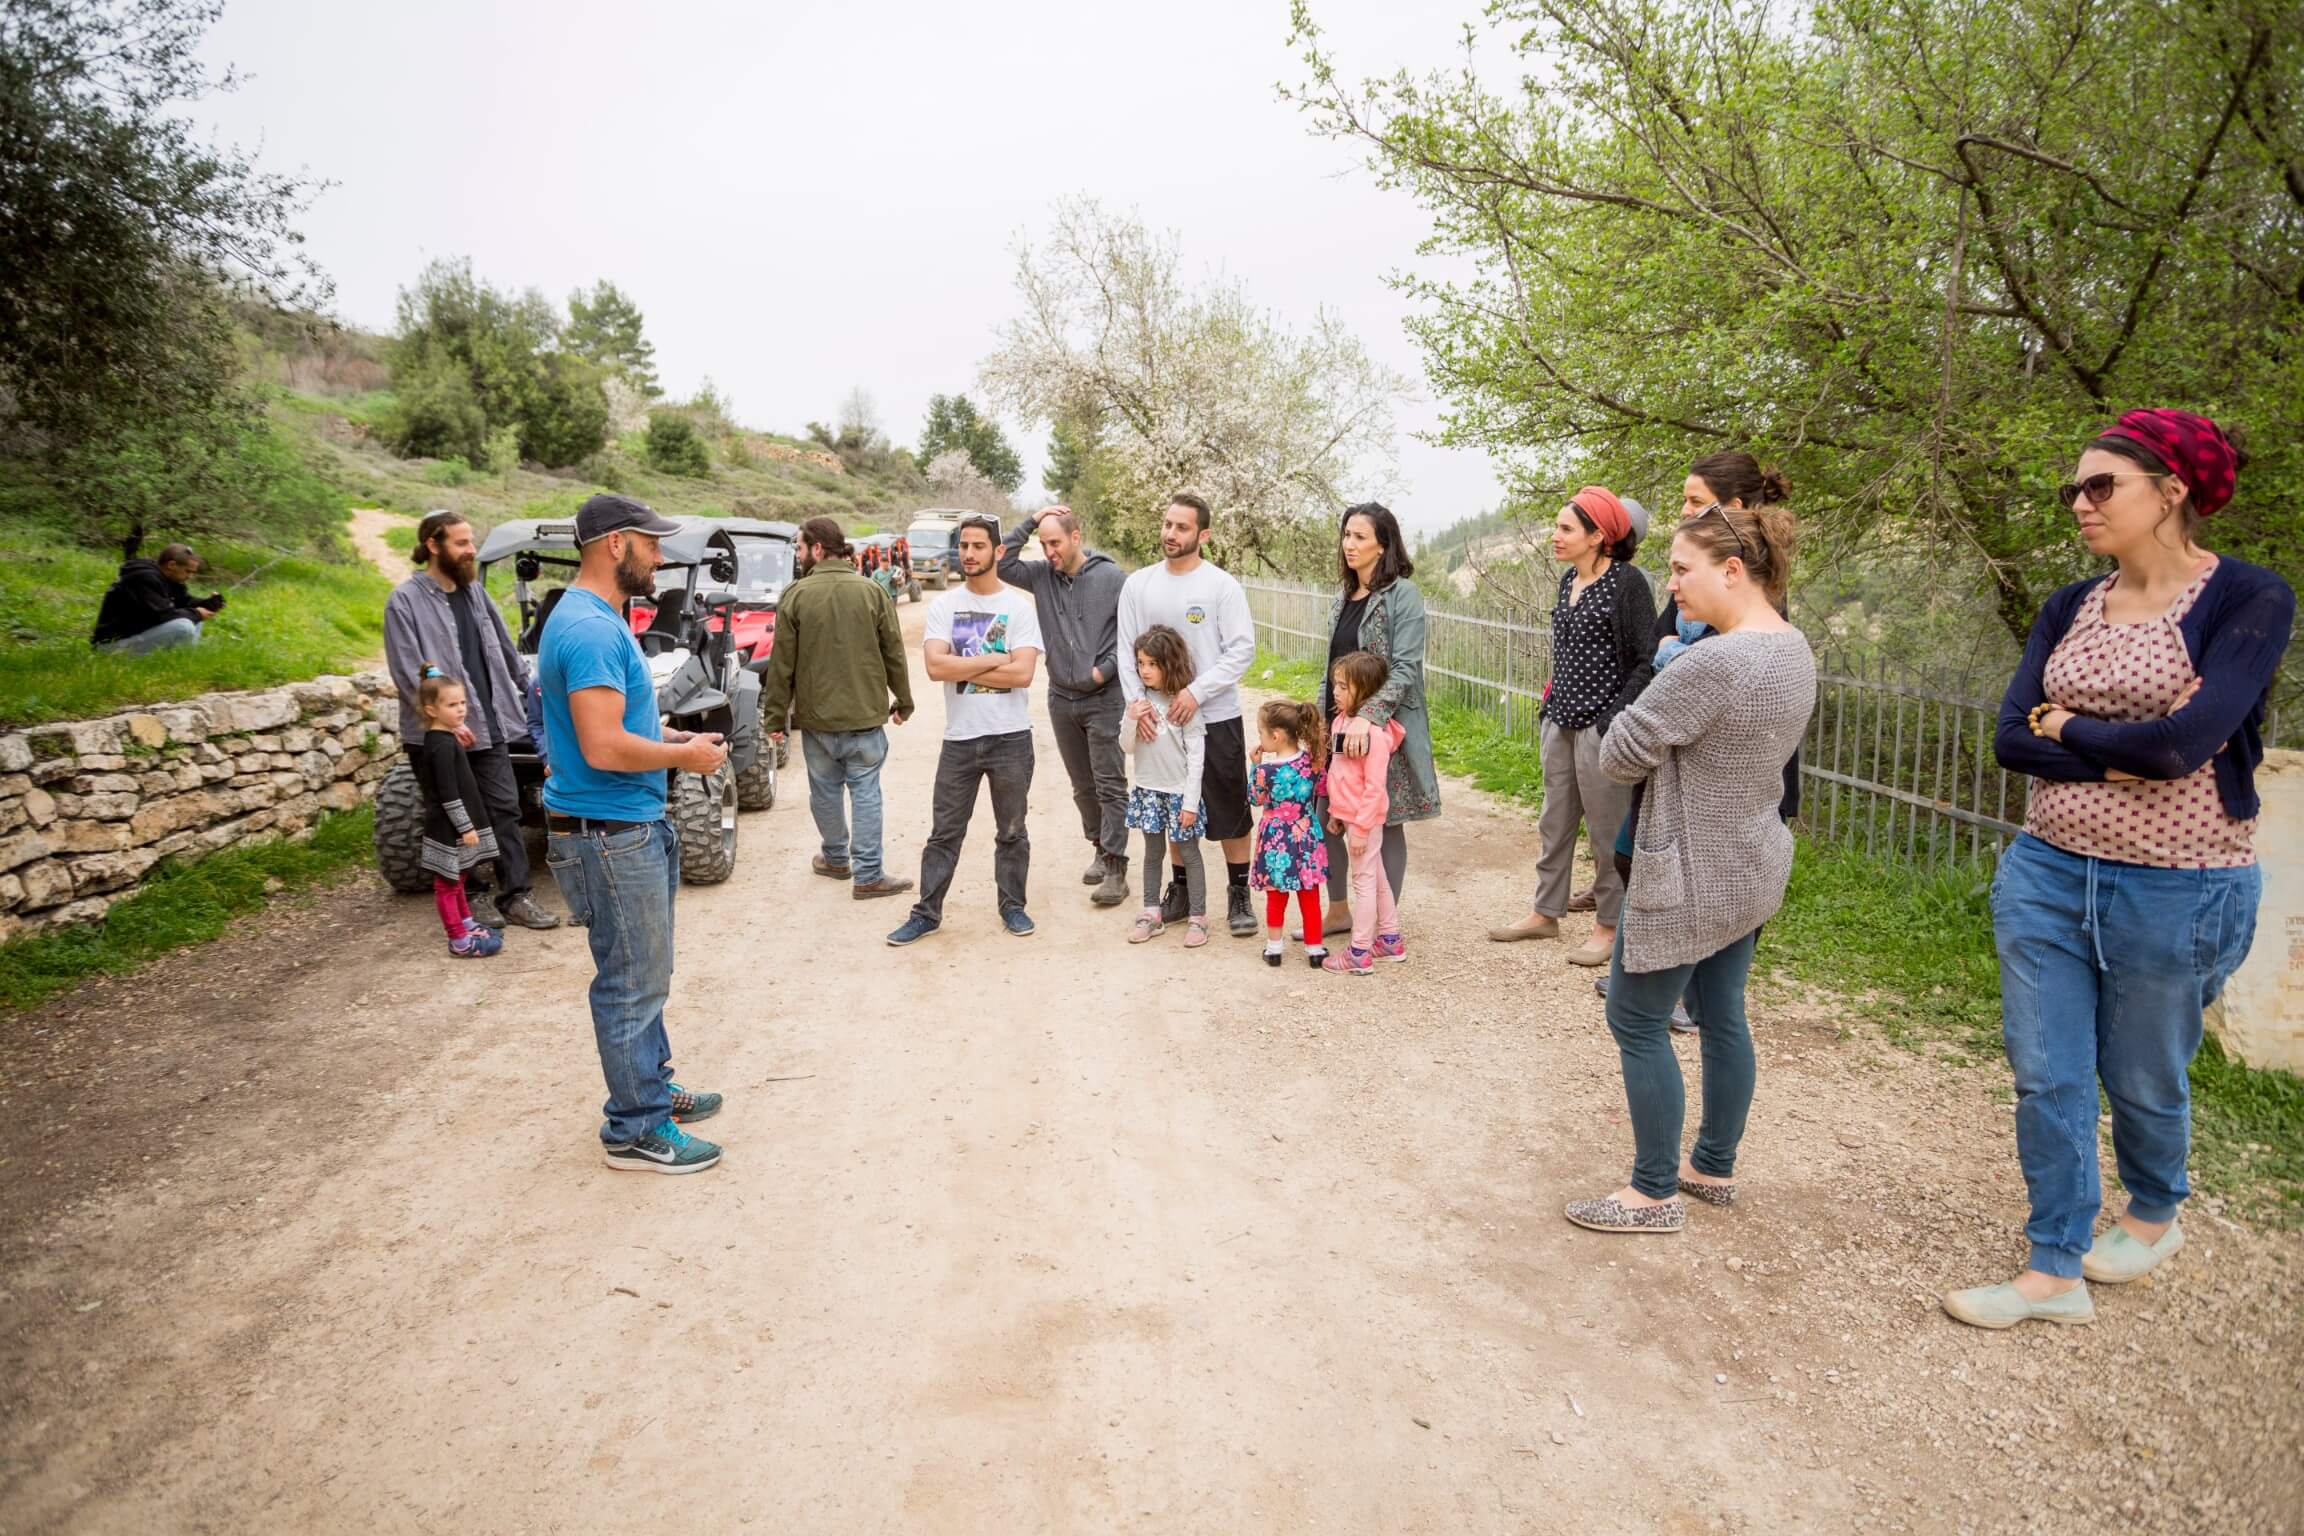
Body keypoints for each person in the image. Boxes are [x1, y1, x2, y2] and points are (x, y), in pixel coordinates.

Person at [1943, 409, 2292, 1330]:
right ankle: (2052, 1267)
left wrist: (2077, 728)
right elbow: (2013, 740)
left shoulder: (2248, 599)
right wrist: (2120, 747)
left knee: (2142, 1076)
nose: (2081, 503)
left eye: (2103, 485)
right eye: (2074, 488)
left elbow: (2186, 745)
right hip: (2049, 872)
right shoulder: (2069, 606)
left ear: (2172, 490)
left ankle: (2151, 1210)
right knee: (2046, 1070)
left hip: (2179, 882)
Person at [1564, 501, 1813, 1234]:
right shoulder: (1793, 647)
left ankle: (1651, 1193)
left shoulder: (1713, 661)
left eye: (1682, 569)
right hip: (1750, 862)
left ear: (1732, 572)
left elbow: (1618, 754)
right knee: (1723, 1013)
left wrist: (1658, 698)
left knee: (1635, 1018)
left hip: (1687, 870)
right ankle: (1713, 1166)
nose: (1671, 585)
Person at [537, 493, 732, 1175]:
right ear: (616, 544)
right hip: (609, 833)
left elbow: (619, 730)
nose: (660, 556)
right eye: (651, 544)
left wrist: (671, 737)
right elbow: (602, 747)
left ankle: (650, 1086)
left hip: (622, 827)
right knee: (630, 980)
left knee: (645, 972)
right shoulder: (589, 628)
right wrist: (682, 757)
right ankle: (635, 1128)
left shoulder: (597, 619)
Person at [1489, 487, 1655, 963]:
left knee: (1606, 832)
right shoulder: (1567, 580)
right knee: (1554, 823)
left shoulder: (1627, 584)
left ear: (1597, 536)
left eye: (1566, 529)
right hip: (1559, 720)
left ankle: (1608, 924)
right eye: (1557, 527)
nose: (1555, 537)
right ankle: (1545, 912)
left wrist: (1612, 720)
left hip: (1601, 729)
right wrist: (1548, 705)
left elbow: (1646, 662)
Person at [384, 510, 560, 931]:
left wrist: (536, 689)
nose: (471, 550)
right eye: (462, 543)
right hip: (438, 736)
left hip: (490, 723)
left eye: (471, 542)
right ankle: (473, 896)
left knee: (504, 810)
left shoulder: (476, 594)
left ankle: (516, 896)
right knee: (452, 815)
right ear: (433, 544)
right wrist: (440, 720)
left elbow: (504, 648)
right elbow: (408, 671)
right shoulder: (404, 601)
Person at [886, 516, 1043, 946]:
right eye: (965, 546)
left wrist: (966, 664)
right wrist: (997, 660)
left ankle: (1013, 906)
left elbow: (1024, 673)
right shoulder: (943, 606)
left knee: (1012, 830)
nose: (970, 553)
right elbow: (937, 667)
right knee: (944, 834)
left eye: (978, 546)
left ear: (999, 551)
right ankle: (926, 913)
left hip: (1011, 737)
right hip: (960, 740)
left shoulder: (1018, 608)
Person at [1117, 495, 1259, 936]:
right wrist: (1137, 705)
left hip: (1214, 715)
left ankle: (1239, 895)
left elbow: (1242, 649)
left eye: (1181, 527)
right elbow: (1126, 651)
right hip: (1158, 723)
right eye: (1167, 524)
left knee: (1229, 809)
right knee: (1170, 804)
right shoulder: (1138, 584)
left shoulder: (1221, 586)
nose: (1170, 534)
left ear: (1203, 535)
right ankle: (1178, 892)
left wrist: (1196, 693)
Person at [759, 516, 915, 900]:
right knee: (866, 792)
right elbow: (893, 652)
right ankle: (869, 876)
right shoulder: (871, 592)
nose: (798, 555)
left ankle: (835, 859)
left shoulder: (795, 595)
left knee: (825, 790)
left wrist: (775, 717)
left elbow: (782, 665)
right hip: (865, 717)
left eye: (799, 547)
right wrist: (904, 701)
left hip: (818, 720)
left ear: (817, 548)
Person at [1309, 503, 1438, 942]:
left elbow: (1405, 667)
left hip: (1383, 729)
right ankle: (1341, 910)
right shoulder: (1343, 596)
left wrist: (1367, 717)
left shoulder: (1403, 595)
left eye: (1360, 536)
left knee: (1384, 820)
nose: (1349, 544)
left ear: (1383, 544)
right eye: (1346, 534)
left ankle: (1385, 925)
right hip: (1338, 728)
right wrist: (1320, 725)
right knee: (1327, 812)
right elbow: (1331, 667)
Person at [1001, 506, 1131, 906]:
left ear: (1077, 537)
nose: (1049, 551)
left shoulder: (1113, 578)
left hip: (1103, 698)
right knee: (1082, 785)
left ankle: (1115, 867)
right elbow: (1002, 560)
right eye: (1044, 544)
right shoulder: (1042, 575)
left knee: (1109, 783)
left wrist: (1102, 672)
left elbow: (1131, 635)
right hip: (1061, 698)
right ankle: (1098, 845)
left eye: (1055, 542)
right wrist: (1033, 519)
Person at [1121, 625, 1209, 947]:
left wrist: (1190, 802)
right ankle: (1151, 913)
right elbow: (1127, 746)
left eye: (1152, 664)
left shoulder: (1183, 705)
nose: (1145, 670)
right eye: (1141, 663)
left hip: (1178, 794)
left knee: (1189, 852)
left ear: (1169, 664)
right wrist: (1131, 719)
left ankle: (1198, 917)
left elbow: (1197, 757)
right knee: (1152, 852)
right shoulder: (1137, 702)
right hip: (1147, 790)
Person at [408, 665, 504, 959]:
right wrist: (465, 827)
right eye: (452, 705)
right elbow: (447, 794)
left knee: (459, 877)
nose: (461, 709)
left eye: (462, 703)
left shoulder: (447, 739)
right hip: (448, 827)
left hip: (456, 825)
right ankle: (458, 939)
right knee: (447, 883)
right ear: (431, 710)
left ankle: (466, 923)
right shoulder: (440, 746)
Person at [1322, 651, 1408, 977]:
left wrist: (1359, 828)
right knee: (1378, 876)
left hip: (1364, 822)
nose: (1336, 692)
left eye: (1343, 687)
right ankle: (1389, 938)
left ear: (1366, 691)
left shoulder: (1372, 735)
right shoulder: (1342, 722)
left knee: (1363, 880)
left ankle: (1359, 951)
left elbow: (1374, 787)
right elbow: (1340, 775)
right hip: (1349, 816)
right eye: (1335, 686)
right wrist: (1335, 813)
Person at [1250, 698, 1329, 969]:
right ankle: (1315, 949)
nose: (1259, 737)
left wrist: (1254, 766)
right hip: (1305, 833)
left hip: (1276, 840)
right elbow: (1319, 788)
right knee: (1309, 894)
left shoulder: (1266, 771)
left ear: (1276, 735)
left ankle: (1274, 949)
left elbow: (1256, 799)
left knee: (1276, 894)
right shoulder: (1311, 761)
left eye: (1261, 732)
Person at [91, 542, 220, 655]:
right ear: (172, 565)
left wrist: (207, 604)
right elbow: (162, 615)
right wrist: (197, 613)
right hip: (110, 646)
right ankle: (176, 661)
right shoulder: (143, 579)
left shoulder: (167, 579)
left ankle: (182, 659)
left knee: (195, 618)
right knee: (184, 625)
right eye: (188, 571)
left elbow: (184, 601)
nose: (190, 576)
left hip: (135, 635)